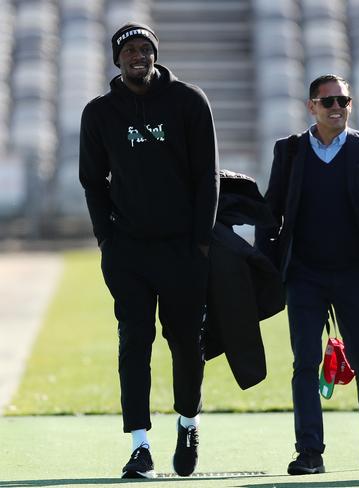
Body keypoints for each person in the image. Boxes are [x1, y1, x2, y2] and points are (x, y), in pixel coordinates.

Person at [79, 22, 219, 479]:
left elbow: (207, 176)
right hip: (129, 251)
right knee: (133, 343)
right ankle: (140, 445)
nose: (139, 56)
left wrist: (201, 242)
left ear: (155, 55)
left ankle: (187, 423)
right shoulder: (99, 112)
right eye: (130, 51)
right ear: (117, 60)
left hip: (183, 249)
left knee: (185, 343)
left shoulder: (188, 101)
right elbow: (91, 180)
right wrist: (106, 240)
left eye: (146, 49)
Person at [256, 74, 359, 475]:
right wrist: (264, 265)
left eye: (343, 101)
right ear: (311, 106)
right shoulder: (289, 151)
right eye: (327, 102)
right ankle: (310, 452)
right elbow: (270, 213)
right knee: (304, 364)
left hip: (355, 273)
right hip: (303, 274)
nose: (336, 108)